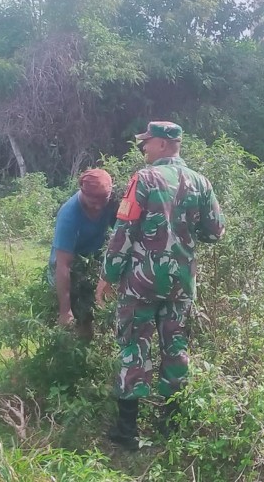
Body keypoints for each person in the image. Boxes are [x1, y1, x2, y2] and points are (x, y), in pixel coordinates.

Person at [95, 121, 225, 450]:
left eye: (149, 142)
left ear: (165, 145)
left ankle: (127, 433)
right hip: (181, 283)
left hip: (141, 284)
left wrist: (108, 275)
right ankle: (171, 428)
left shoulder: (144, 178)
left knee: (133, 348)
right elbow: (215, 232)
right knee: (176, 350)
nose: (144, 147)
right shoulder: (201, 182)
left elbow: (124, 231)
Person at [48, 168, 116, 340]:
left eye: (103, 200)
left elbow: (123, 233)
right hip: (69, 267)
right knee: (76, 316)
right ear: (82, 192)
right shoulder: (69, 215)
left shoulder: (112, 203)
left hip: (94, 262)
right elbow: (63, 265)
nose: (98, 206)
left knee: (93, 312)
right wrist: (65, 310)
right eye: (93, 201)